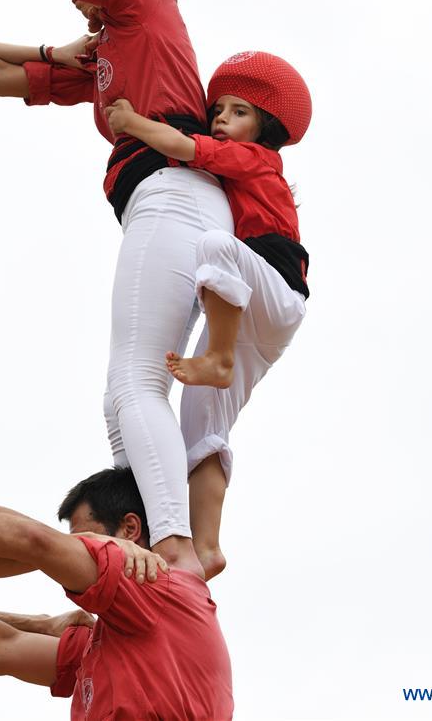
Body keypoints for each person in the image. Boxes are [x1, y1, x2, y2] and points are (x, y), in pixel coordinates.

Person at [0, 0, 233, 579]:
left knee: (136, 381)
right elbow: (7, 76)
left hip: (173, 194)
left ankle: (176, 548)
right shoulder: (110, 44)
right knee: (122, 396)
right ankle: (147, 533)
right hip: (170, 202)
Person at [106, 49, 311, 578]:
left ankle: (217, 357)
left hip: (273, 290)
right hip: (252, 319)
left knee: (215, 246)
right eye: (217, 109)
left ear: (266, 128)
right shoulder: (243, 165)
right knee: (202, 426)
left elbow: (184, 147)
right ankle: (207, 549)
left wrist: (130, 121)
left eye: (238, 111)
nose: (220, 118)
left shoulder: (256, 159)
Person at [0, 467, 234, 719]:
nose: (77, 548)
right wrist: (42, 624)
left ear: (129, 530)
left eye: (83, 538)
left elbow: (33, 541)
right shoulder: (117, 641)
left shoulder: (153, 584)